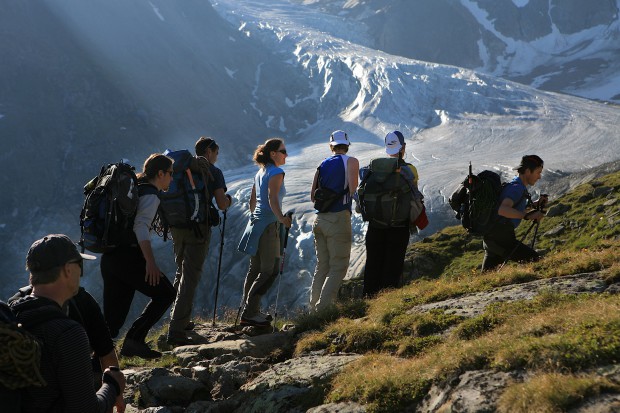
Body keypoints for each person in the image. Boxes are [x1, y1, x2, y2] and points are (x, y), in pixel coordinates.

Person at [10, 234, 125, 413]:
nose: (81, 271)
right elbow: (86, 409)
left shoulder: (11, 317)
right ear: (68, 269)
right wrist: (113, 385)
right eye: (80, 265)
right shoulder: (68, 333)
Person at [100, 153, 176, 359]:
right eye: (170, 173)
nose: (171, 178)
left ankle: (93, 363)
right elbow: (140, 227)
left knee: (112, 320)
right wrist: (150, 262)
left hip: (110, 257)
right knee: (166, 294)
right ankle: (134, 340)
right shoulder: (150, 195)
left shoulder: (135, 190)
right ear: (160, 173)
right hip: (129, 257)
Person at [8, 285, 124, 409]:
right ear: (67, 270)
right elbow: (107, 353)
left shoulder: (13, 310)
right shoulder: (80, 306)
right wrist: (113, 388)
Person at [167, 137, 233, 346]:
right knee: (191, 277)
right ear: (209, 151)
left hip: (176, 228)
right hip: (198, 230)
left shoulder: (179, 169)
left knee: (180, 271)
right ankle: (176, 329)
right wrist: (229, 200)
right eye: (216, 152)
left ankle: (180, 319)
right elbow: (222, 204)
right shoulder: (213, 172)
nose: (217, 156)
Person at [238, 138, 292, 326]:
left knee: (255, 269)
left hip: (256, 224)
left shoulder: (261, 172)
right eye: (283, 151)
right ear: (273, 154)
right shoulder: (277, 171)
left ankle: (250, 310)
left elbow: (252, 201)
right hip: (269, 225)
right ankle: (249, 313)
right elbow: (272, 198)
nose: (286, 155)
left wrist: (256, 217)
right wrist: (282, 219)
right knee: (270, 270)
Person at [362, 131, 419, 297]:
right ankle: (386, 306)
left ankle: (366, 306)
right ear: (403, 147)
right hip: (398, 226)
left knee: (372, 267)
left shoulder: (371, 169)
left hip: (375, 226)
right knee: (392, 269)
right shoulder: (410, 170)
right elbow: (414, 196)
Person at [309, 130, 359, 311]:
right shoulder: (351, 161)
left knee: (322, 266)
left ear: (331, 146)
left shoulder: (322, 164)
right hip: (338, 218)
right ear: (347, 145)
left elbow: (312, 196)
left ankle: (312, 309)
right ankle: (323, 310)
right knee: (338, 266)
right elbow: (354, 190)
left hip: (319, 219)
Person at [481, 155, 547, 271]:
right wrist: (527, 216)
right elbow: (503, 210)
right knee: (535, 262)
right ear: (527, 171)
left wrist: (534, 205)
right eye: (538, 172)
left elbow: (513, 207)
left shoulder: (515, 185)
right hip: (501, 238)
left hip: (492, 238)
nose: (539, 177)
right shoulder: (516, 188)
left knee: (487, 277)